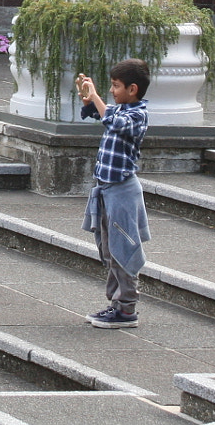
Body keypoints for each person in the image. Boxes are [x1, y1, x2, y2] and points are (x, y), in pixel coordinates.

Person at [74, 58, 152, 329]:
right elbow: (103, 116)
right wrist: (88, 100)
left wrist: (95, 97)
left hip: (122, 190)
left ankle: (127, 309)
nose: (111, 90)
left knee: (123, 248)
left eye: (116, 86)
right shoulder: (120, 109)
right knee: (108, 248)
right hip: (107, 190)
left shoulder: (137, 114)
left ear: (133, 89)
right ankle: (116, 304)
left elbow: (114, 121)